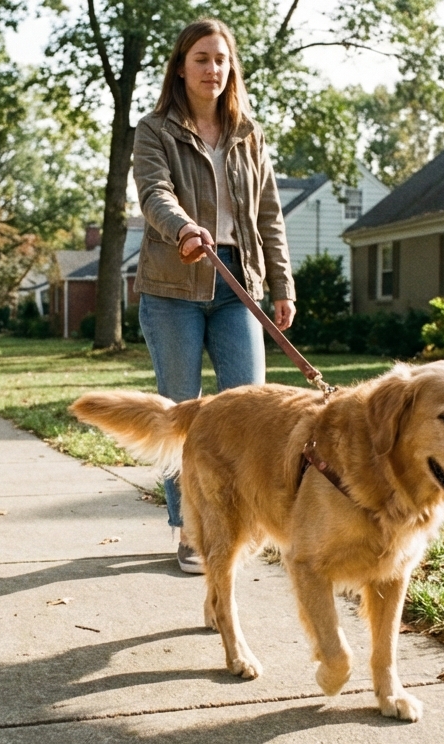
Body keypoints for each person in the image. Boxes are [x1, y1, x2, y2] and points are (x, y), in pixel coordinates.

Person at [132, 18, 295, 574]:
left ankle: (243, 522)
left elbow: (269, 215)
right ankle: (190, 530)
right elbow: (154, 192)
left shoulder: (249, 134)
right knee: (184, 413)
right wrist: (182, 228)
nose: (212, 69)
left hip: (237, 284)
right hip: (175, 282)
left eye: (221, 59)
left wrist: (281, 285)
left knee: (254, 410)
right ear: (181, 66)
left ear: (232, 68)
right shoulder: (154, 130)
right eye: (201, 58)